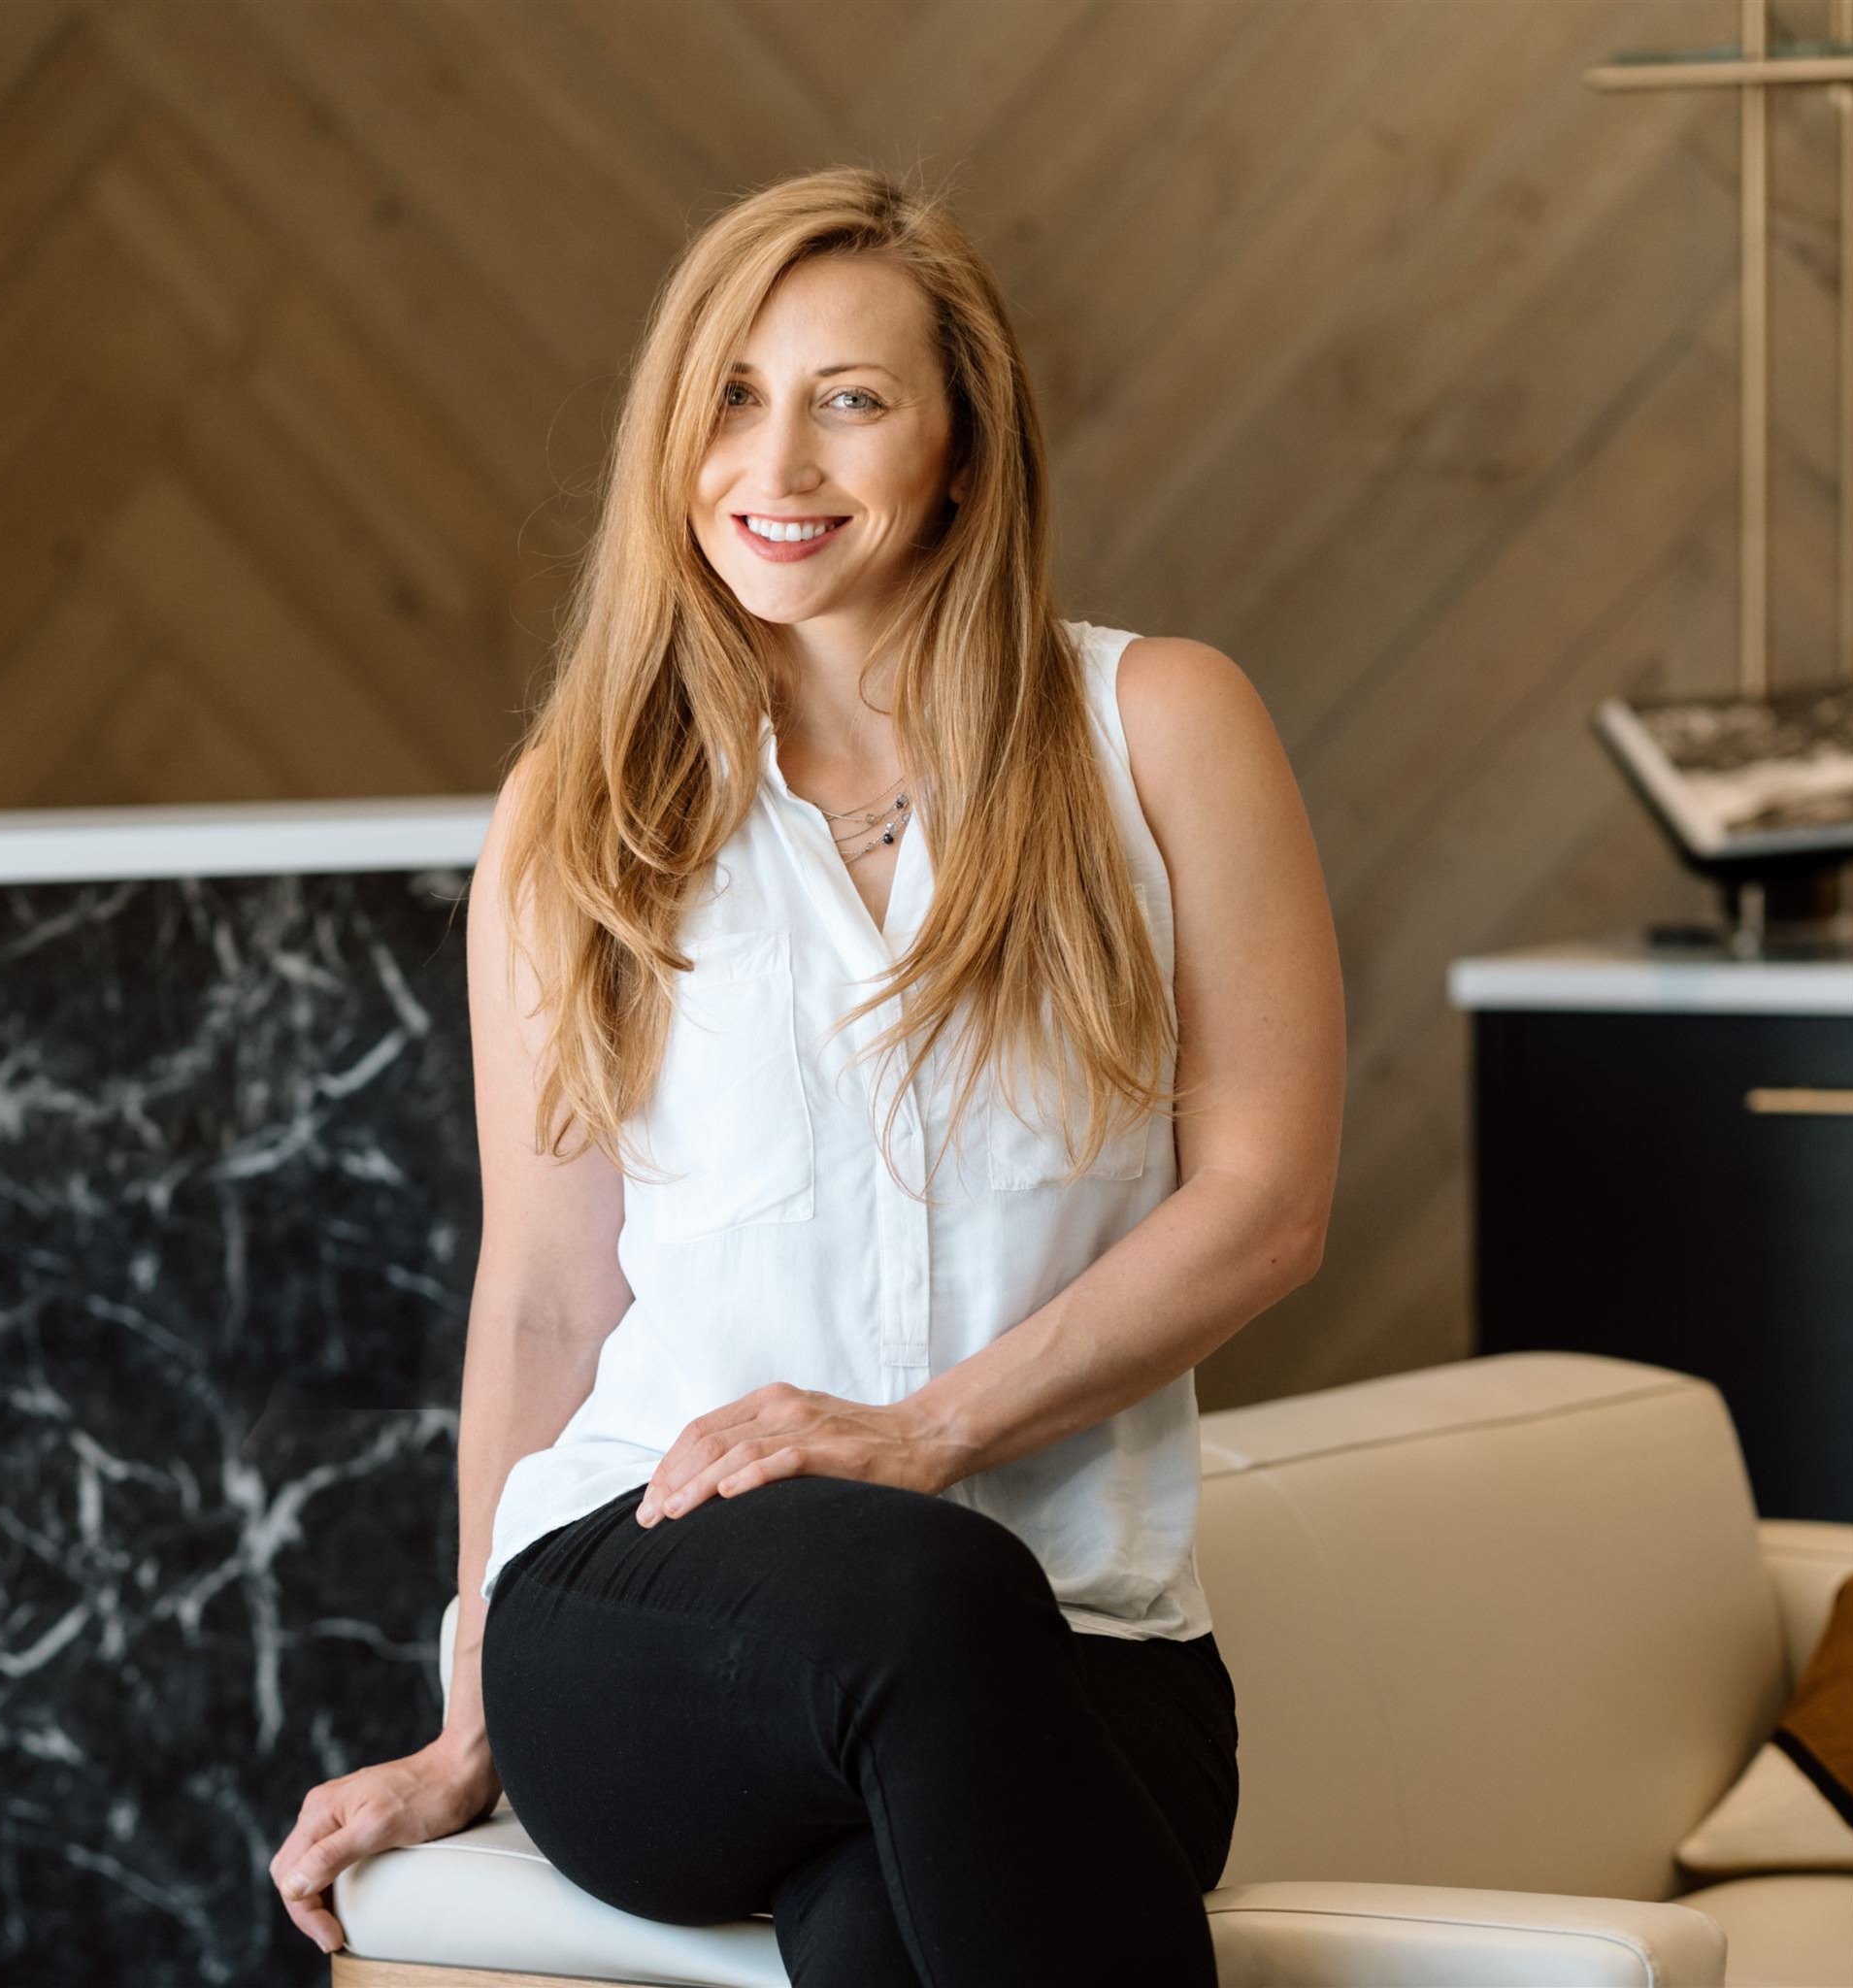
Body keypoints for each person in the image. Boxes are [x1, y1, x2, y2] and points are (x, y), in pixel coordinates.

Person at [269, 164, 1344, 1985]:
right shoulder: (582, 811)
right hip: (646, 1616)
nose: (778, 465)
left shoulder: (1162, 729)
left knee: (886, 1918)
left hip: (1094, 1640)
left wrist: (928, 1434)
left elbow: (1268, 1205)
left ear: (960, 444)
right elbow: (543, 1298)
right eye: (732, 402)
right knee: (921, 1597)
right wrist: (463, 1732)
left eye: (850, 401)